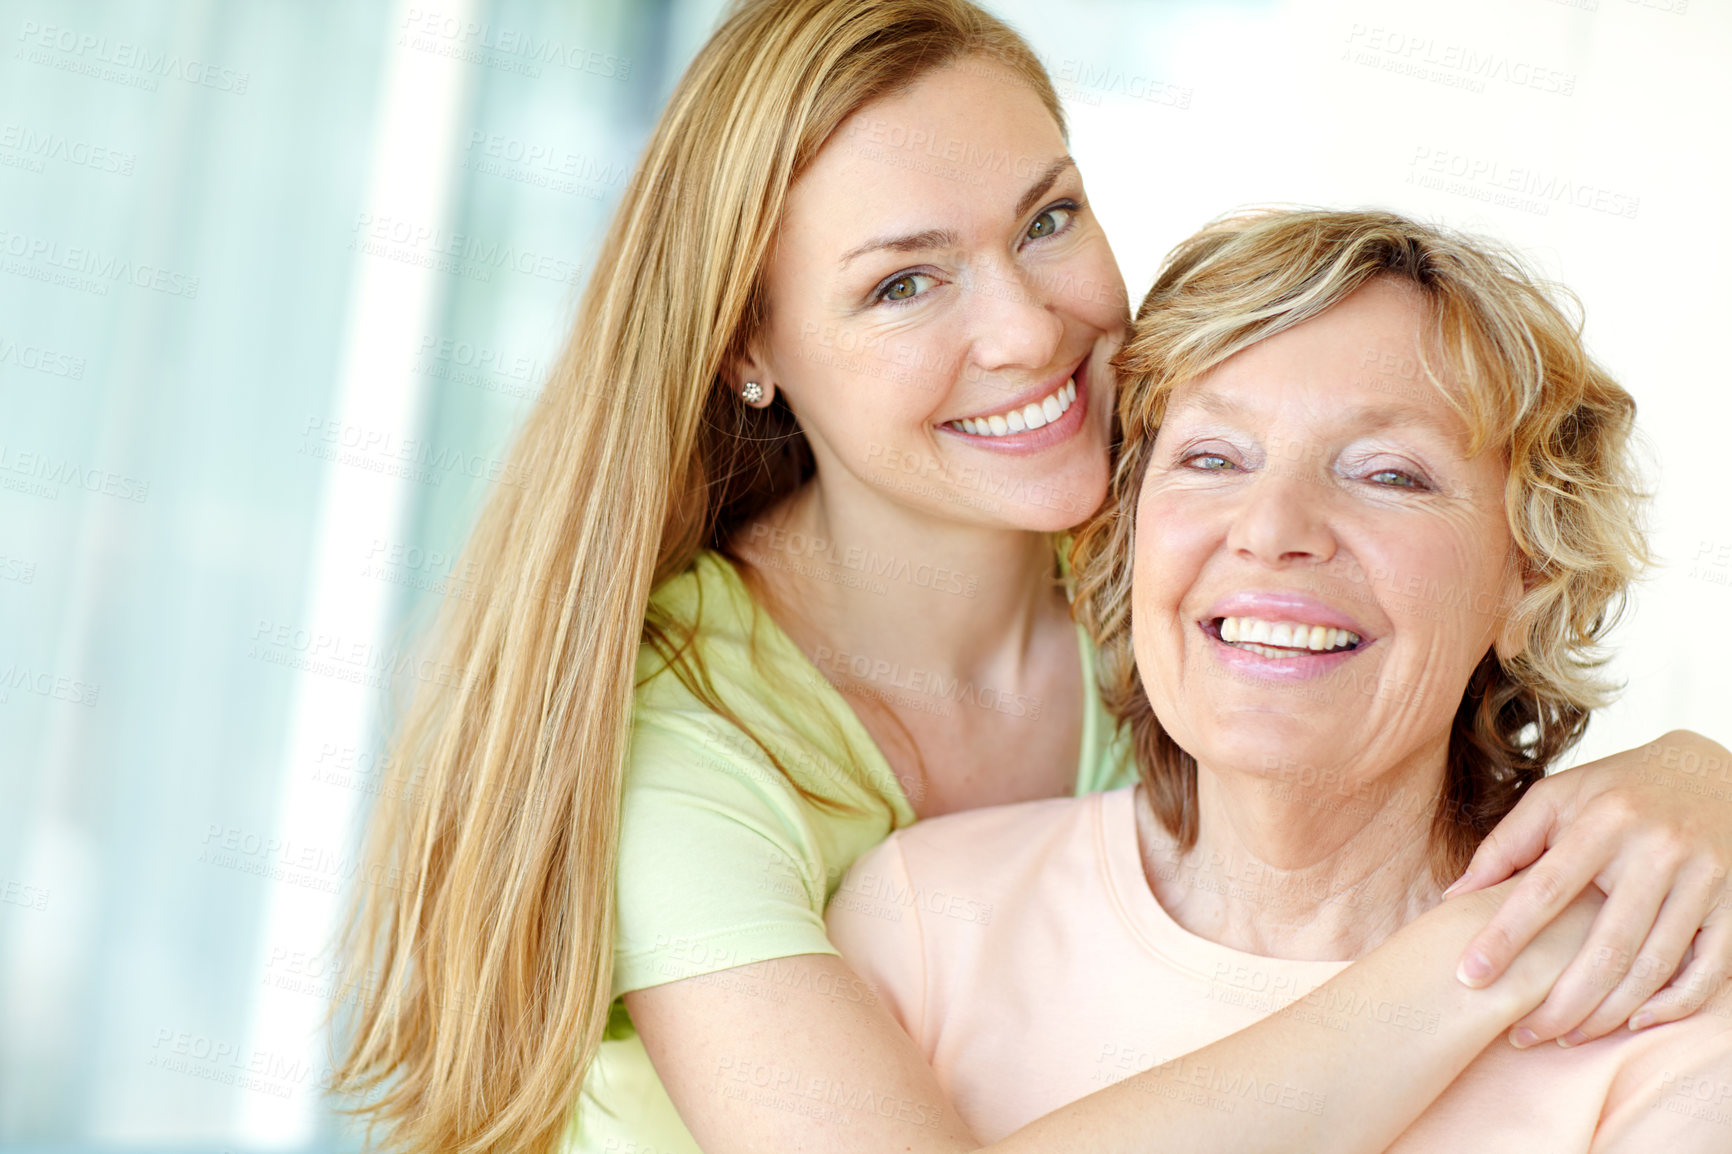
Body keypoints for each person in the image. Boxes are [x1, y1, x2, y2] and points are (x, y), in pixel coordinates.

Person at [325, 3, 1732, 1152]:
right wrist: (1512, 952)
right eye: (903, 284)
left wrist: (1698, 780)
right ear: (746, 351)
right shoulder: (674, 747)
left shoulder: (1177, 586)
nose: (1027, 328)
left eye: (1046, 219)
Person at [826, 208, 1732, 1151]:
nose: (1272, 528)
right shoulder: (926, 920)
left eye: (1389, 475)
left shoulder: (1671, 1012)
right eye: (1212, 459)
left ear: (1531, 571)